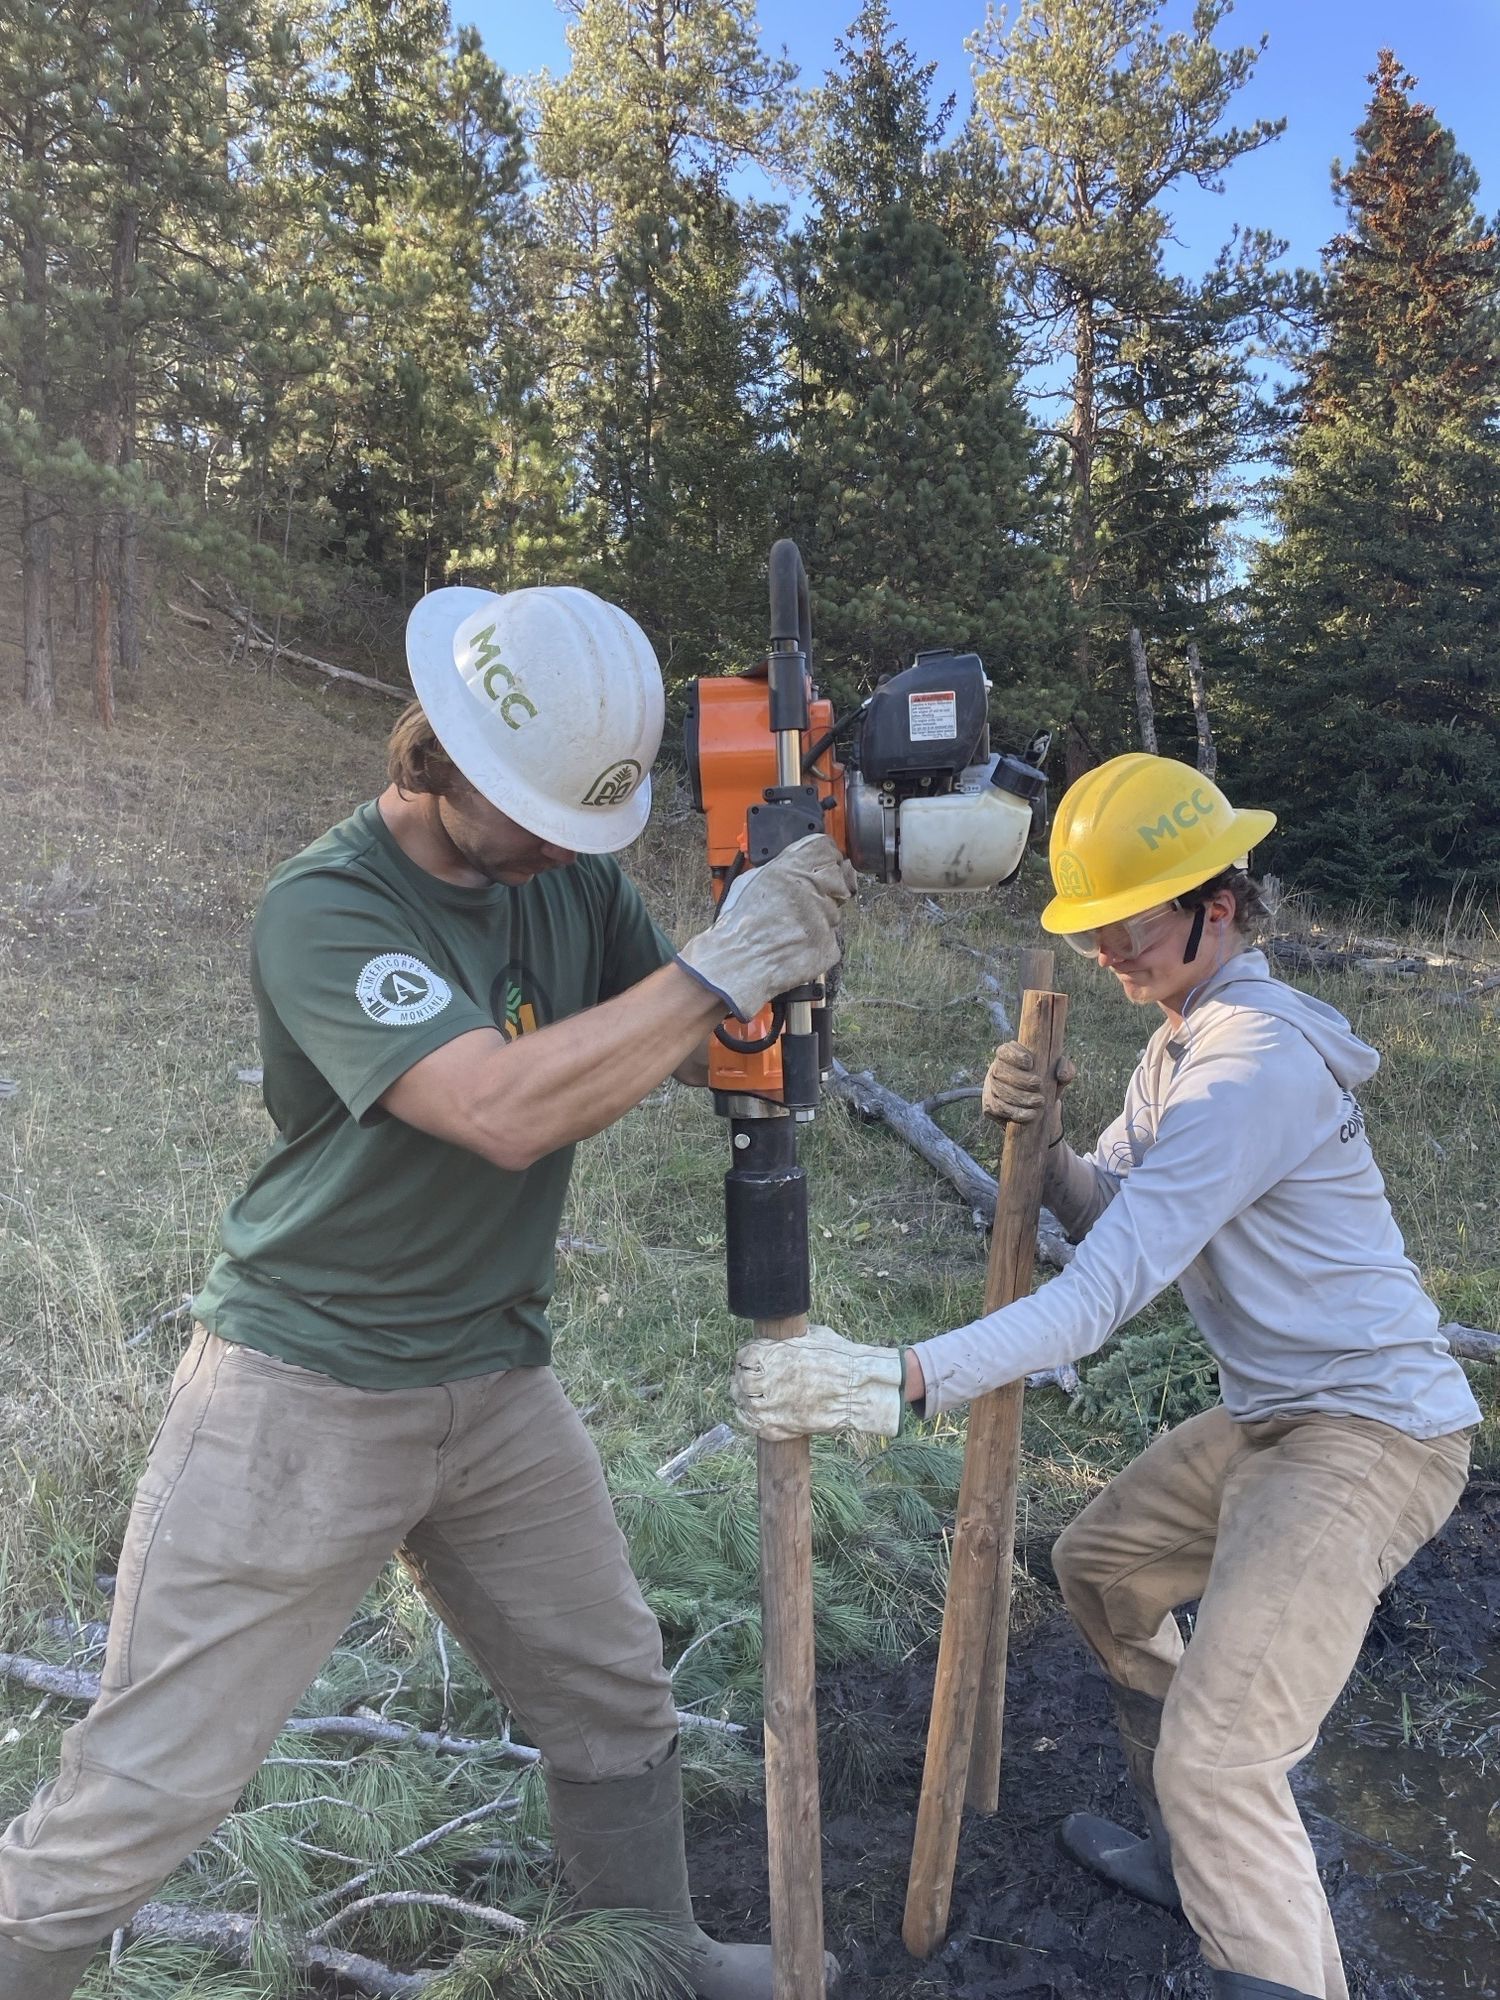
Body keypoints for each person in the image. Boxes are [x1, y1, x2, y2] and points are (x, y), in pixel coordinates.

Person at [0, 583, 852, 2000]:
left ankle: (648, 1958)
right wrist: (724, 965)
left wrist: (787, 932)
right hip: (301, 1388)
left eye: (580, 826)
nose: (553, 852)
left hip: (494, 1381)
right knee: (147, 1788)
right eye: (534, 814)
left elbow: (700, 1043)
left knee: (610, 1694)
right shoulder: (326, 904)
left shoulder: (563, 879)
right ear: (441, 753)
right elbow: (502, 1108)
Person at [731, 752, 1481, 2000]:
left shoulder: (1254, 1065)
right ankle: (1201, 1862)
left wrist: (900, 1378)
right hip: (1274, 1416)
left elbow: (1093, 1302)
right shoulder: (1181, 1046)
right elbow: (1108, 1211)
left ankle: (1254, 1911)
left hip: (1371, 1435)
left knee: (1226, 1755)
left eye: (1130, 923)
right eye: (1092, 931)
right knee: (1103, 1566)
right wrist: (1052, 1140)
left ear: (1218, 903)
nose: (1110, 953)